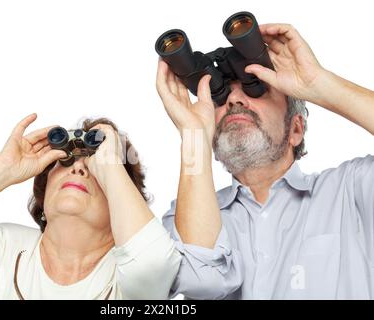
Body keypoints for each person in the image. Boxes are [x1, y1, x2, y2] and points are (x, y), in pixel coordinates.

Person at [156, 22, 374, 299]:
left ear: (296, 129)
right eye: (219, 96)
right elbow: (200, 280)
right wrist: (194, 137)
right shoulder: (185, 212)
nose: (235, 98)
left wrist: (319, 84)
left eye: (255, 88)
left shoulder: (351, 191)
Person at [0, 114, 181, 299]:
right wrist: (3, 169)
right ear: (44, 191)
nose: (79, 167)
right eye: (67, 159)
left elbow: (154, 263)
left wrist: (111, 164)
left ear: (121, 197)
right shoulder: (3, 250)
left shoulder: (126, 276)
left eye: (94, 165)